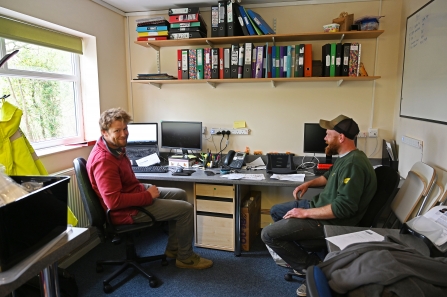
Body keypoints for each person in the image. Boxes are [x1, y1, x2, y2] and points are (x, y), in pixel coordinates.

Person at [261, 115, 377, 296]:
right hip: (320, 205)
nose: (324, 138)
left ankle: (315, 270)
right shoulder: (346, 156)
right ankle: (301, 254)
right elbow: (328, 177)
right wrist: (308, 184)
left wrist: (305, 213)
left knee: (268, 234)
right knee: (277, 211)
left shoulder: (354, 164)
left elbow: (343, 208)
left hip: (333, 221)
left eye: (328, 134)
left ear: (340, 137)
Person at [86, 107, 213, 270]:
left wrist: (144, 191)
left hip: (134, 194)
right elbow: (113, 202)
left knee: (180, 194)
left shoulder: (115, 148)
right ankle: (186, 258)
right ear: (104, 132)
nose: (124, 134)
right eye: (117, 130)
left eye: (125, 129)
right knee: (186, 210)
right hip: (126, 211)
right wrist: (147, 196)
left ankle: (173, 249)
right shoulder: (104, 161)